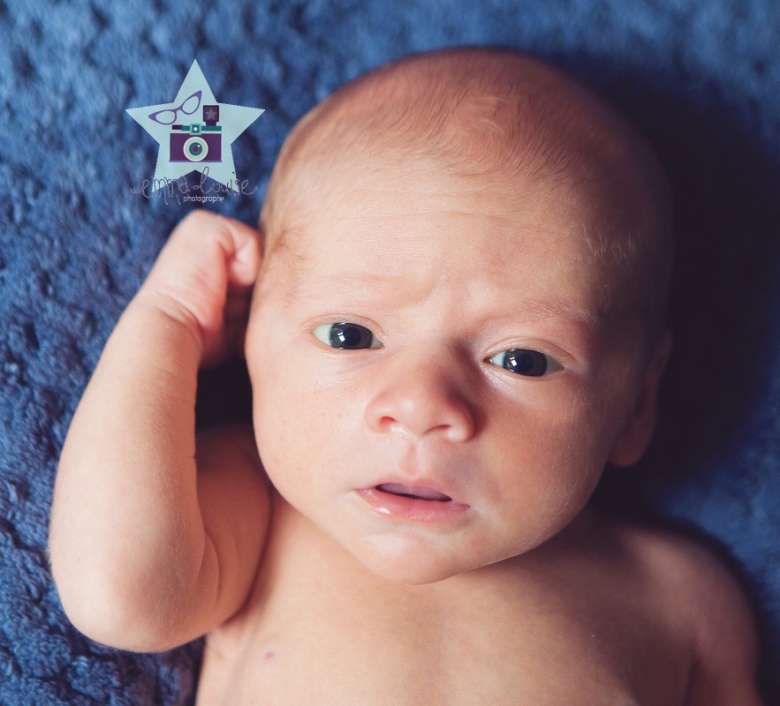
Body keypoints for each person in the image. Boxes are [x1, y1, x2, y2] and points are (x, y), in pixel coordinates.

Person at [48, 46, 762, 704]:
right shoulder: (262, 519)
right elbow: (120, 594)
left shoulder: (678, 595)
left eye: (521, 359)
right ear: (249, 341)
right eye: (351, 334)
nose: (423, 406)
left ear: (637, 400)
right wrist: (167, 324)